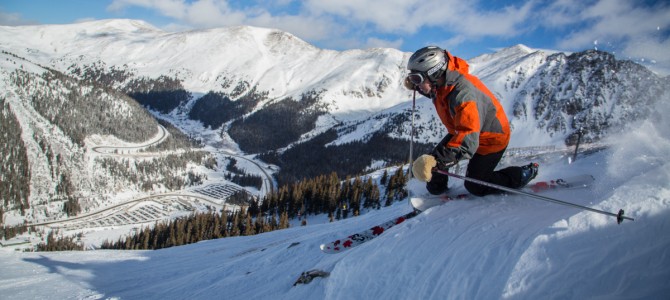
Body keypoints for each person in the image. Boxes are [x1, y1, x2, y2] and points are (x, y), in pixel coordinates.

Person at [406, 46, 538, 196]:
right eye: (411, 79)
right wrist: (417, 86)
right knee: (435, 165)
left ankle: (522, 175)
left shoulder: (464, 95)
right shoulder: (442, 84)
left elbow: (467, 140)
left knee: (476, 185)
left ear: (434, 73)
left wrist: (437, 161)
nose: (414, 84)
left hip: (490, 139)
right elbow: (438, 95)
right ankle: (439, 192)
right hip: (464, 130)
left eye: (416, 79)